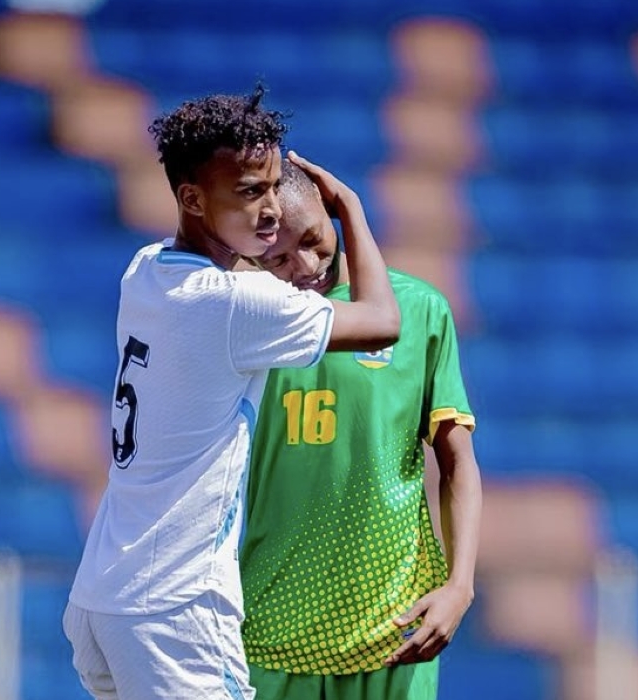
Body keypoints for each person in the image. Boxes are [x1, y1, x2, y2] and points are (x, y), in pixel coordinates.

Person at [63, 86, 401, 700]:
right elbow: (381, 321)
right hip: (176, 603)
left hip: (104, 592)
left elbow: (229, 274)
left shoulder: (146, 268)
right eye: (249, 192)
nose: (271, 210)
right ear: (192, 198)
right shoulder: (238, 305)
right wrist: (351, 209)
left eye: (274, 186)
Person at [239, 158, 484, 700]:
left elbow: (457, 463)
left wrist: (459, 586)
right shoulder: (248, 325)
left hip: (393, 630)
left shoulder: (418, 310)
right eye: (279, 257)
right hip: (269, 629)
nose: (305, 265)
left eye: (314, 239)